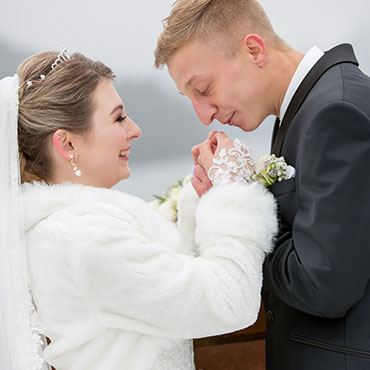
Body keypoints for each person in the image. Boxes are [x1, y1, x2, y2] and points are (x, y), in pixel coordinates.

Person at [0, 49, 277, 370]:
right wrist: (233, 192)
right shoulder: (85, 236)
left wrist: (201, 199)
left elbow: (167, 286)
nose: (135, 129)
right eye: (118, 118)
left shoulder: (62, 229)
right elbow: (229, 301)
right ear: (68, 145)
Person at [154, 0, 370, 369]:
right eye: (189, 99)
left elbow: (325, 287)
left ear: (254, 49)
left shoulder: (334, 112)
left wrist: (237, 204)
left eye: (203, 89)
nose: (203, 114)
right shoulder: (306, 109)